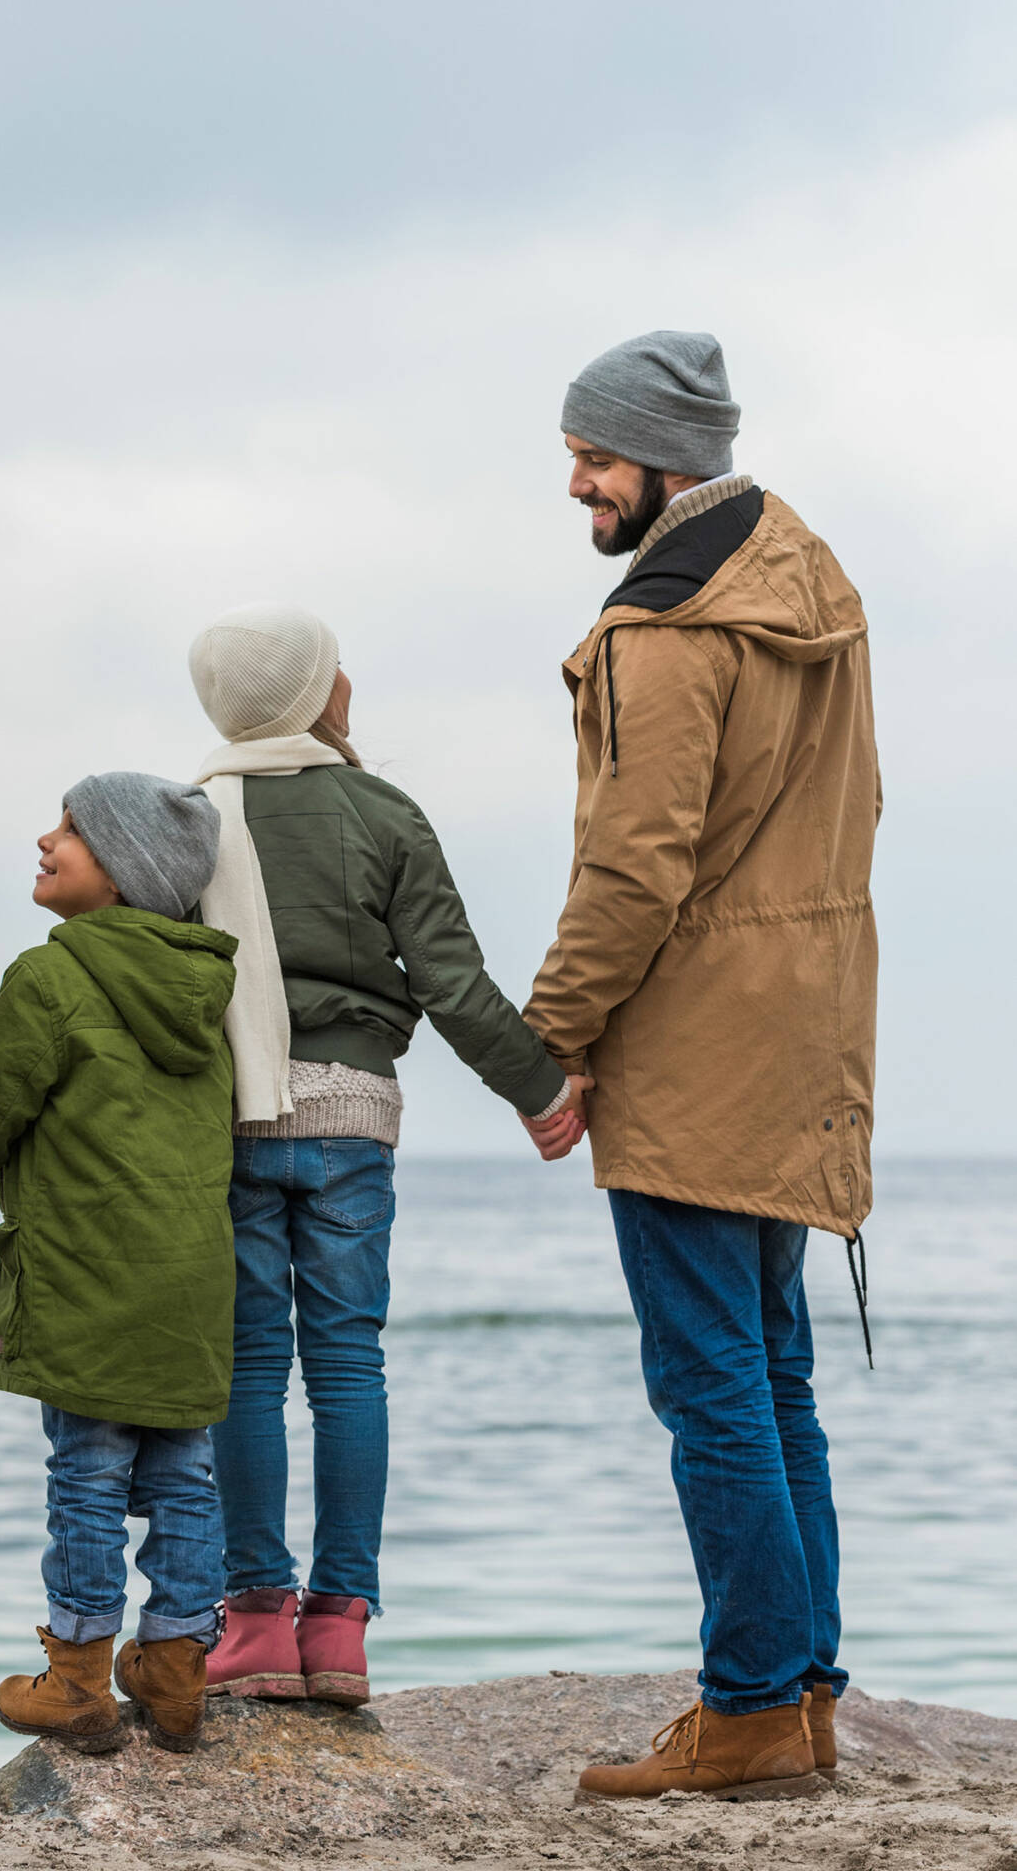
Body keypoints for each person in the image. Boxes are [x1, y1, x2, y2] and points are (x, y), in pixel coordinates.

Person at [526, 331, 878, 1804]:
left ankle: (744, 1704)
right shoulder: (814, 589)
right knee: (773, 1376)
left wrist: (556, 1032)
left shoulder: (669, 626)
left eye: (594, 457)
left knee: (715, 1388)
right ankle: (797, 1700)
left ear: (667, 459)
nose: (576, 485)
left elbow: (633, 862)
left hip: (687, 1034)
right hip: (801, 1021)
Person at [186, 604, 591, 1708]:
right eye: (333, 670)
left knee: (250, 1371)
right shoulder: (381, 811)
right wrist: (543, 1090)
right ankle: (342, 1630)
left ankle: (256, 1618)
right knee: (347, 1365)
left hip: (228, 1119)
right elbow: (453, 984)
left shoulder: (183, 819)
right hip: (352, 1121)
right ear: (314, 694)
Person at [0, 773, 236, 1757]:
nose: (45, 836)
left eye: (72, 829)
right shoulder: (203, 988)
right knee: (186, 1475)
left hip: (83, 1274)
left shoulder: (53, 976)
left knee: (88, 1476)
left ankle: (74, 1673)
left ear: (122, 873)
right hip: (191, 1280)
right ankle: (178, 1666)